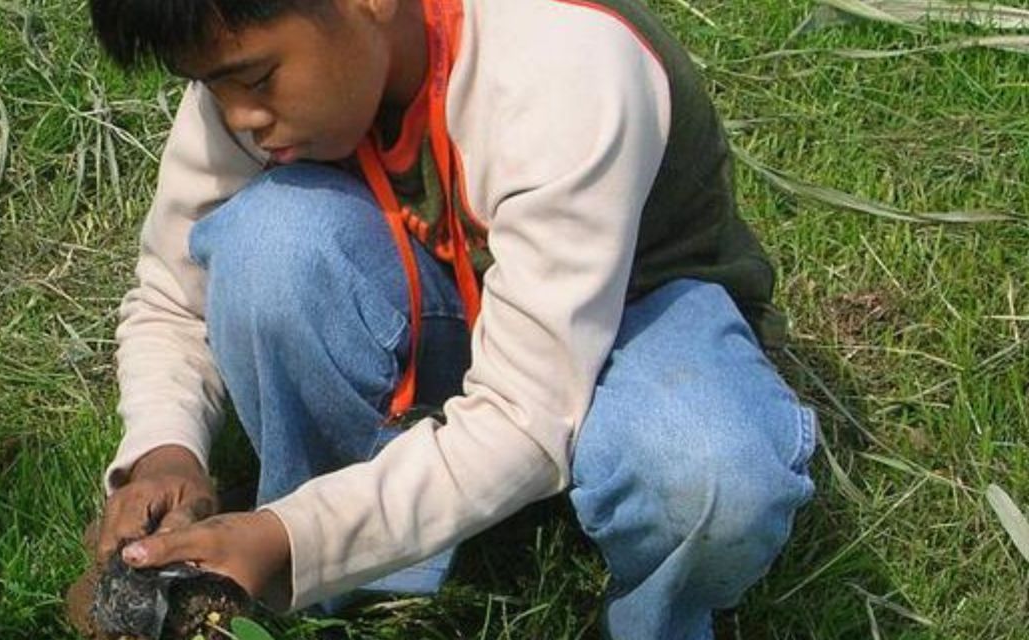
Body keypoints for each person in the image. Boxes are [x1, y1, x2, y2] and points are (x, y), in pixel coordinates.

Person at [81, 0, 818, 636]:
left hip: (632, 320)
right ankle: (356, 576)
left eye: (255, 78)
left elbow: (523, 419)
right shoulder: (251, 66)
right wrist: (164, 448)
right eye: (211, 86)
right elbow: (175, 295)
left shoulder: (561, 68)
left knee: (706, 474)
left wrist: (292, 535)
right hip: (456, 312)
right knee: (267, 247)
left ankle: (651, 614)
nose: (241, 116)